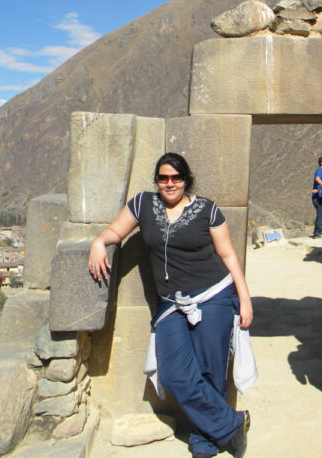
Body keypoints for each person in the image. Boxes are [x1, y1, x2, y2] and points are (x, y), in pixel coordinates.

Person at [88, 152, 253, 458]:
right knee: (175, 373)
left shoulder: (208, 209)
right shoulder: (143, 205)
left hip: (214, 296)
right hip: (171, 304)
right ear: (157, 180)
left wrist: (244, 298)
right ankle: (233, 423)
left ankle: (205, 440)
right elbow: (115, 231)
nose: (170, 183)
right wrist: (99, 242)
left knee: (210, 370)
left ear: (186, 180)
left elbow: (229, 255)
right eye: (163, 178)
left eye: (176, 177)